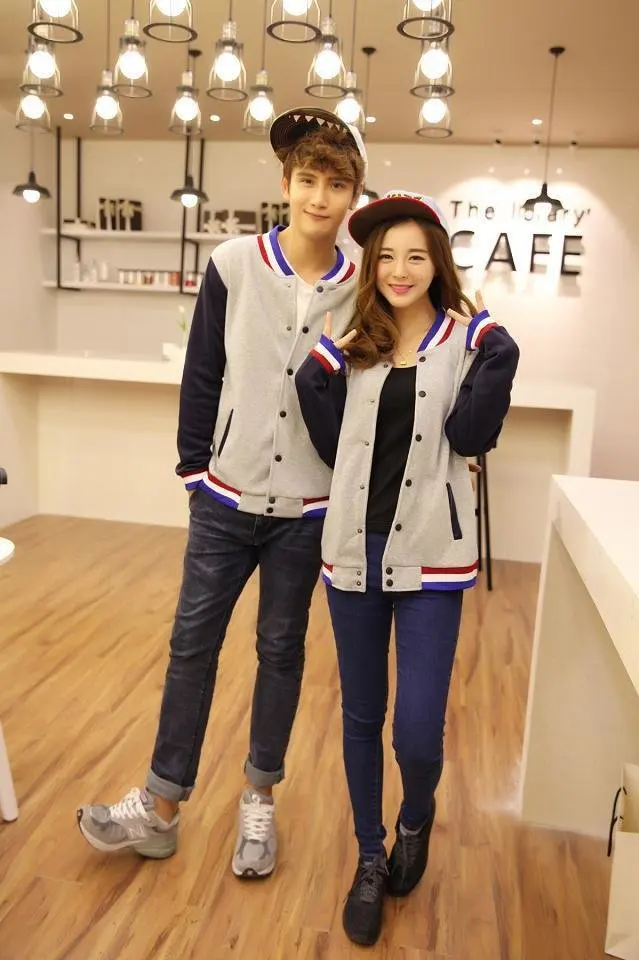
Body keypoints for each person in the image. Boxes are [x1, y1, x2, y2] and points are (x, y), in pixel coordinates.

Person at [76, 107, 367, 880]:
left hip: (307, 511)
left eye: (337, 185)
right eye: (309, 180)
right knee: (191, 648)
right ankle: (161, 808)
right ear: (286, 183)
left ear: (353, 195)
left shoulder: (365, 283)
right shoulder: (235, 263)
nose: (320, 197)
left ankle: (258, 802)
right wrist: (194, 473)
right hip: (225, 501)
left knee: (281, 652)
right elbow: (203, 370)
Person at [295, 190, 519, 945]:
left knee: (417, 733)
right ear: (372, 266)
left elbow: (470, 434)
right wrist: (328, 361)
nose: (398, 269)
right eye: (385, 256)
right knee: (361, 717)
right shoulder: (356, 341)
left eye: (415, 256)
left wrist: (498, 346)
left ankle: (415, 818)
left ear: (437, 263)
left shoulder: (464, 343)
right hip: (353, 557)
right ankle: (369, 856)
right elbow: (328, 429)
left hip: (431, 560)